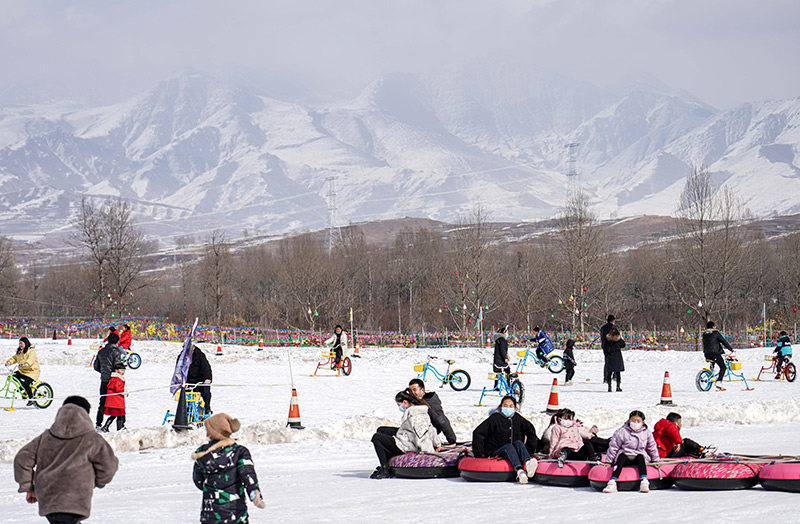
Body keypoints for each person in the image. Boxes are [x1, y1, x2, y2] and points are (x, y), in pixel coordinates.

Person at [14, 396, 119, 524]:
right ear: (85, 415)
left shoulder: (45, 437)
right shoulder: (91, 439)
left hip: (48, 501)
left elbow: (22, 459)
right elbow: (109, 466)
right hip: (76, 500)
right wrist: (96, 482)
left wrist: (29, 486)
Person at [193, 413, 265, 523]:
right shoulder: (239, 452)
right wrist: (254, 492)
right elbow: (247, 473)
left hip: (210, 514)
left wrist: (210, 488)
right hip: (235, 514)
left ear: (211, 433)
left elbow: (198, 480)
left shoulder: (202, 454)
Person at [370, 389, 440, 479]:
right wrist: (436, 443)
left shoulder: (416, 416)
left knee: (377, 438)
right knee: (382, 430)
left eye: (399, 405)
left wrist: (428, 452)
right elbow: (432, 430)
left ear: (405, 402)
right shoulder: (415, 412)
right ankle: (388, 464)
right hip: (407, 437)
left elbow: (422, 435)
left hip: (408, 445)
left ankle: (385, 469)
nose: (400, 407)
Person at [472, 395, 539, 484]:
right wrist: (479, 454)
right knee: (508, 447)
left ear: (515, 407)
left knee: (518, 443)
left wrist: (530, 450)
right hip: (496, 450)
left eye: (511, 406)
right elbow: (478, 433)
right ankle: (519, 471)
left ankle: (528, 463)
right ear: (501, 407)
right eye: (505, 405)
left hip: (514, 450)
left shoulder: (517, 418)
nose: (508, 408)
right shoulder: (494, 418)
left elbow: (530, 430)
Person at [603, 410, 659, 493]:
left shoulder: (647, 433)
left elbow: (652, 447)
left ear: (642, 423)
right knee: (621, 457)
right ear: (629, 421)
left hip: (639, 454)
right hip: (626, 454)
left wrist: (656, 460)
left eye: (638, 421)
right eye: (633, 420)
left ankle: (644, 481)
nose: (635, 423)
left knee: (641, 457)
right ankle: (612, 482)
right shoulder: (621, 432)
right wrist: (609, 461)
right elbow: (613, 447)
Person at [408, 378, 457, 444]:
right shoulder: (418, 400)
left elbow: (441, 421)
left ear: (422, 390)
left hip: (426, 434)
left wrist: (452, 441)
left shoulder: (430, 403)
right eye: (410, 391)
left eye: (414, 390)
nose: (412, 393)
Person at [94, 332, 122, 430]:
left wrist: (103, 372)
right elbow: (117, 365)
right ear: (117, 341)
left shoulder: (101, 351)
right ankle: (119, 425)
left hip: (104, 381)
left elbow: (96, 366)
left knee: (102, 403)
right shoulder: (116, 351)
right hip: (113, 381)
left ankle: (98, 424)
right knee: (118, 403)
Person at [6, 336, 40, 406]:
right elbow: (14, 358)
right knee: (14, 376)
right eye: (19, 343)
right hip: (23, 371)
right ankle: (22, 385)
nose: (20, 345)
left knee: (27, 383)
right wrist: (8, 362)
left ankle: (31, 399)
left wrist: (26, 364)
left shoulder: (31, 351)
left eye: (22, 343)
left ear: (26, 343)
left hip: (32, 372)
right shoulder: (20, 352)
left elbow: (31, 359)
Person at [702, 321, 733, 389]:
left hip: (706, 354)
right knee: (723, 367)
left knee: (713, 363)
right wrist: (731, 349)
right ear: (713, 327)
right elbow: (723, 341)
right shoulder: (715, 333)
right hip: (715, 353)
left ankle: (711, 374)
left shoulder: (704, 334)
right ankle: (719, 381)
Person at [184, 345, 213, 414]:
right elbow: (179, 370)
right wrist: (182, 380)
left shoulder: (200, 356)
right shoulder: (182, 357)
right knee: (185, 396)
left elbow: (206, 368)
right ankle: (186, 411)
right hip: (189, 381)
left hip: (200, 380)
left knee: (205, 393)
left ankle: (207, 408)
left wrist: (207, 379)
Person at [100, 363, 128, 432]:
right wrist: (124, 391)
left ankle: (113, 427)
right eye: (121, 370)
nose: (123, 372)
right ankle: (116, 428)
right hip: (115, 401)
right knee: (117, 414)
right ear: (116, 370)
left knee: (117, 415)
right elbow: (117, 389)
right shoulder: (116, 379)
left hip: (116, 401)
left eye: (123, 370)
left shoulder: (117, 378)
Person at [605, 328, 625, 392]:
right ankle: (618, 386)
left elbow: (605, 347)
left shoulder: (607, 340)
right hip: (617, 356)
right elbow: (623, 345)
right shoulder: (618, 340)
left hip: (610, 356)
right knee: (618, 372)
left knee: (609, 372)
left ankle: (609, 387)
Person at [600, 315, 616, 383]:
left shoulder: (603, 328)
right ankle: (614, 376)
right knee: (615, 362)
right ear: (613, 320)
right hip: (612, 347)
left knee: (607, 362)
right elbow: (615, 337)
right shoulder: (613, 327)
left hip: (605, 347)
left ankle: (606, 378)